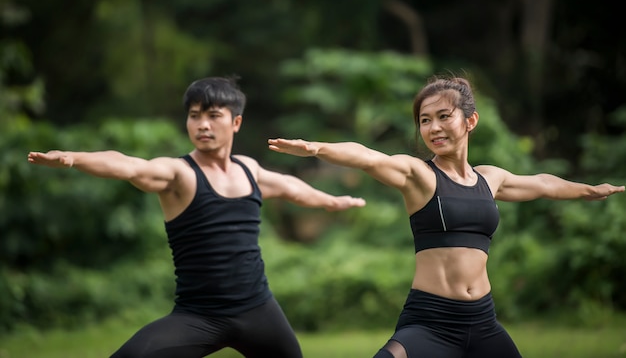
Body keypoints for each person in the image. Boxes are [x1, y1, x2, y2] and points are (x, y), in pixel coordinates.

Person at [268, 75, 625, 358]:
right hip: (431, 321)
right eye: (425, 120)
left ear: (470, 121)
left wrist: (589, 190)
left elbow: (543, 184)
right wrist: (317, 148)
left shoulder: (490, 179)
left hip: (483, 321)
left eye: (443, 117)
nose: (434, 128)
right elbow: (369, 157)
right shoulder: (420, 177)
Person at [27, 76, 366, 358]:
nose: (202, 124)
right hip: (198, 315)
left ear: (235, 122)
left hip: (258, 309)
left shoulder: (248, 169)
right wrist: (73, 158)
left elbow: (289, 187)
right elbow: (129, 164)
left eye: (213, 115)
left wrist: (329, 201)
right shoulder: (179, 174)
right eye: (194, 115)